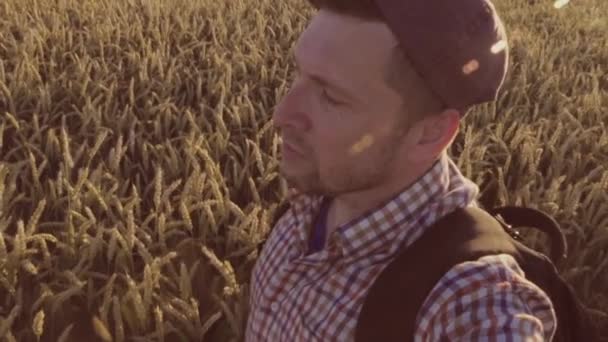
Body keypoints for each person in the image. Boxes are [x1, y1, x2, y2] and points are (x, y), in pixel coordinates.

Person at [245, 0, 557, 340]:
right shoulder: (312, 198)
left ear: (430, 134)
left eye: (331, 97)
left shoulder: (467, 296)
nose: (280, 115)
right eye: (298, 72)